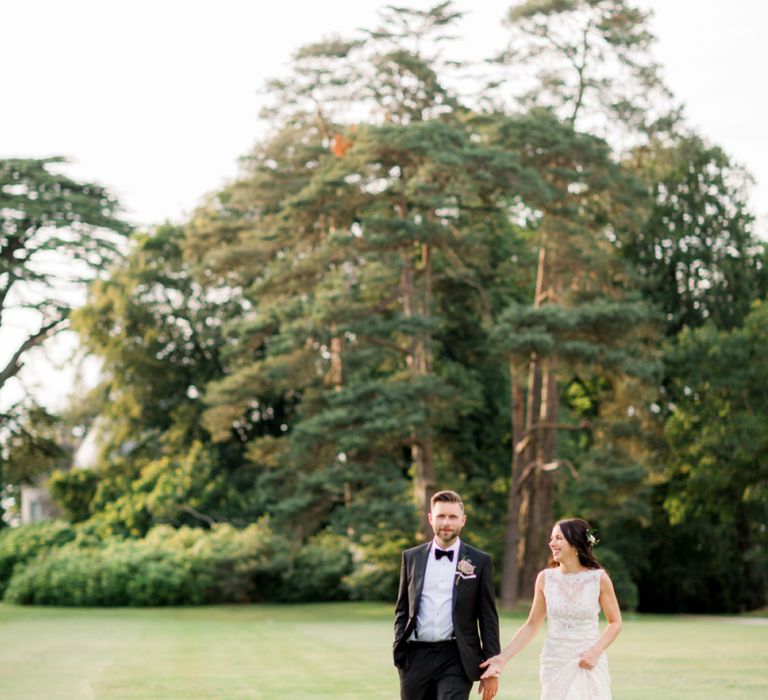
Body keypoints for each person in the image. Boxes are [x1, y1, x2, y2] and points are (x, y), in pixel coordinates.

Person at [479, 518, 622, 699]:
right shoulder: (545, 579)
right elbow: (532, 625)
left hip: (588, 660)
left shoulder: (598, 579)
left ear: (576, 543)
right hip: (555, 661)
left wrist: (596, 651)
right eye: (551, 538)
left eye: (558, 538)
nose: (551, 543)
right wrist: (503, 658)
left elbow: (615, 622)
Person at [394, 490, 501, 700]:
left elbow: (488, 618)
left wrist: (492, 667)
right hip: (415, 657)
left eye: (452, 517)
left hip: (457, 656)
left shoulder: (480, 561)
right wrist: (399, 649)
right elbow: (403, 608)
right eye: (441, 516)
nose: (446, 522)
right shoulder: (411, 558)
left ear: (463, 520)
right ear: (431, 519)